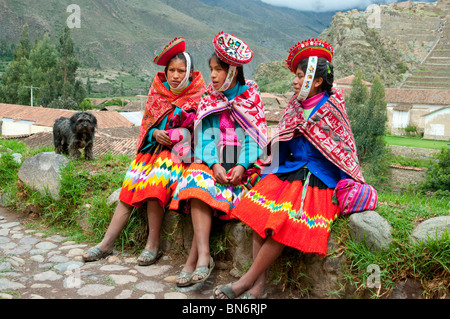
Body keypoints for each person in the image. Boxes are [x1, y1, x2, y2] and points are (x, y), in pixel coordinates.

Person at [215, 38, 378, 299]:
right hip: (290, 169)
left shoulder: (331, 108)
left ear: (316, 81)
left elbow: (343, 150)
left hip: (318, 177)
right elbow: (282, 140)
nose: (294, 81)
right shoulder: (295, 104)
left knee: (283, 221)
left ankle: (245, 282)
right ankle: (258, 286)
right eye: (295, 76)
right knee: (259, 214)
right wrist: (266, 164)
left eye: (301, 76)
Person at [82, 37, 206, 266]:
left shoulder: (199, 95)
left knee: (156, 183)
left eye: (181, 71)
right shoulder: (158, 91)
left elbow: (202, 130)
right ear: (166, 71)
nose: (176, 75)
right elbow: (147, 124)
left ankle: (153, 244)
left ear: (189, 72)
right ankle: (106, 243)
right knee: (131, 185)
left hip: (180, 155)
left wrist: (178, 135)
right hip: (152, 150)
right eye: (171, 70)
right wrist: (154, 134)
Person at [169, 32, 268, 287]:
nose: (212, 75)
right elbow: (204, 139)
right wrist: (213, 164)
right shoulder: (210, 96)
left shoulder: (250, 97)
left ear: (233, 71)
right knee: (195, 179)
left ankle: (194, 261)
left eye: (218, 69)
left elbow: (255, 139)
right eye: (211, 69)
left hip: (241, 166)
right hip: (215, 162)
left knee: (212, 189)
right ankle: (203, 257)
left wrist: (241, 165)